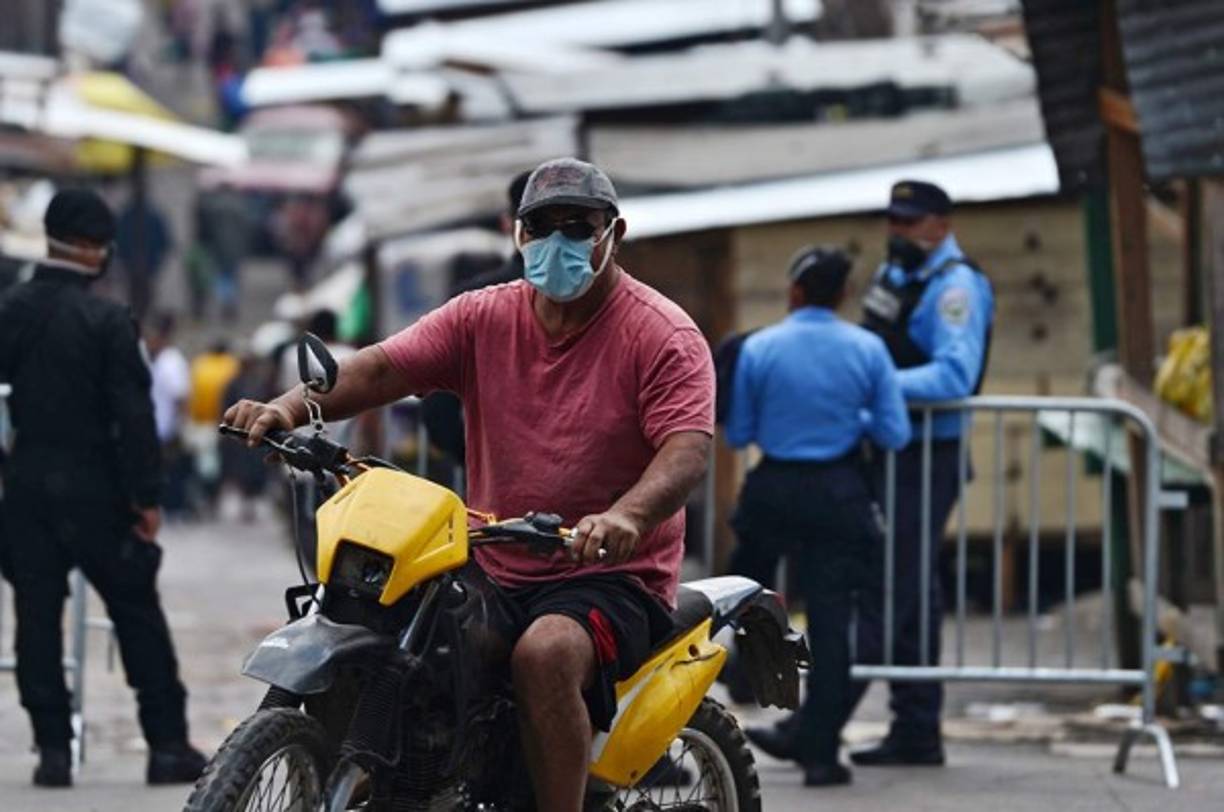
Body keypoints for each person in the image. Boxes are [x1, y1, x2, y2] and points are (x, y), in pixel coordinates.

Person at [225, 158, 714, 811]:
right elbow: (380, 369)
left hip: (607, 573)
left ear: (613, 234)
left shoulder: (662, 336)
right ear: (518, 236)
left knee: (543, 656)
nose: (558, 242)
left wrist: (625, 517)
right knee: (408, 634)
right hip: (493, 554)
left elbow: (686, 450)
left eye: (579, 227)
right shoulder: (484, 317)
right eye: (542, 227)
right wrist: (287, 407)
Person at [0, 189, 206, 787]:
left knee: (36, 618)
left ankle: (53, 752)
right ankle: (166, 744)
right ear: (95, 249)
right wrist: (146, 498)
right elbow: (135, 418)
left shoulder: (11, 310)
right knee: (137, 613)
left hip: (28, 486)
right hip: (99, 490)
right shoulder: (109, 320)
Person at [725, 247, 910, 787]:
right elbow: (895, 433)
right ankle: (823, 754)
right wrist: (854, 417)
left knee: (739, 594)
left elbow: (738, 433)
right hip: (839, 491)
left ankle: (736, 674)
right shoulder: (868, 349)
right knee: (833, 625)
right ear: (844, 295)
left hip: (774, 488)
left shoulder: (760, 347)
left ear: (796, 292)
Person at [849, 179, 995, 766]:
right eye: (893, 220)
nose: (898, 231)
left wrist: (874, 389)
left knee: (898, 585)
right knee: (912, 587)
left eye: (910, 222)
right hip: (895, 450)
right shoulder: (898, 277)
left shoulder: (955, 287)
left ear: (940, 224)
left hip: (928, 456)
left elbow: (955, 377)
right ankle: (915, 728)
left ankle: (831, 717)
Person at [423, 169, 533, 468]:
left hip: (495, 493)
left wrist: (480, 464)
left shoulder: (469, 303)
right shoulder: (606, 301)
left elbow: (437, 408)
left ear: (508, 224)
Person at [146, 312, 193, 519]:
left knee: (172, 469)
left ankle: (176, 507)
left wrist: (180, 425)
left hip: (169, 427)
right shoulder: (158, 360)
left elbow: (180, 395)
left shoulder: (171, 362)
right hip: (159, 425)